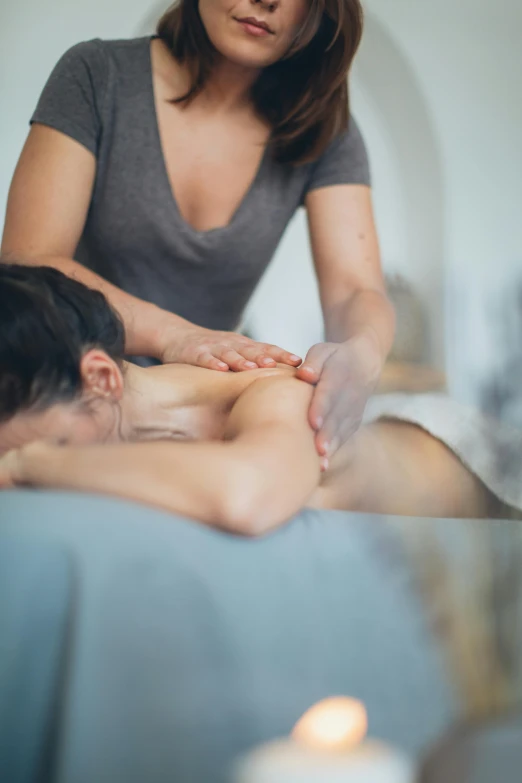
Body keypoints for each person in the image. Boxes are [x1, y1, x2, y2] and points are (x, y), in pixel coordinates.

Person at [0, 0, 395, 465]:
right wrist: (175, 337)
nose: (266, 0)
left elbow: (355, 290)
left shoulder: (327, 133)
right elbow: (28, 260)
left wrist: (363, 355)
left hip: (199, 408)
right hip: (64, 401)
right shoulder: (96, 73)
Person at [1, 265, 519, 535]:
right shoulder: (146, 431)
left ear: (100, 379)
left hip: (481, 464)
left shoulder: (269, 392)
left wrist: (31, 462)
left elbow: (247, 497)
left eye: (61, 442)